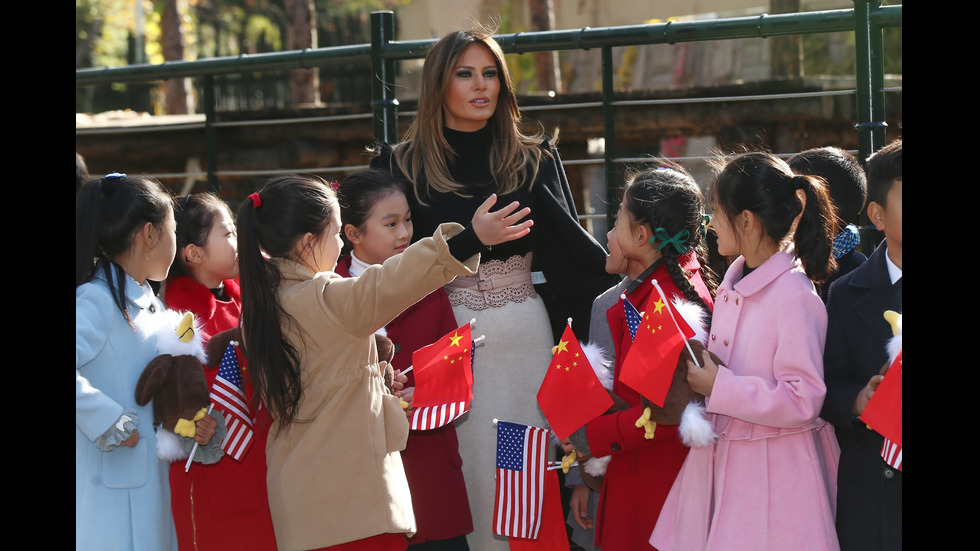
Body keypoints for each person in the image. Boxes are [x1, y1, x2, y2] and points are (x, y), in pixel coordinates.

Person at [370, 28, 617, 548]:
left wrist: (644, 280)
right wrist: (469, 242)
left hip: (523, 342)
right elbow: (376, 269)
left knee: (523, 497)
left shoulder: (534, 158)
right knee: (466, 493)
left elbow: (575, 266)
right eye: (465, 74)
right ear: (439, 84)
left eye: (490, 74)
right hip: (437, 347)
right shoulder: (399, 166)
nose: (481, 86)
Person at [236, 174, 530, 551]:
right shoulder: (324, 298)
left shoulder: (263, 305)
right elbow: (394, 280)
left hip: (299, 501)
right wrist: (469, 238)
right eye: (335, 234)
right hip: (353, 504)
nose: (340, 243)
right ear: (310, 243)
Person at [650, 152, 841, 551]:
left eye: (716, 211)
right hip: (735, 466)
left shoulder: (794, 295)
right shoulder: (734, 285)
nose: (710, 223)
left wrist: (719, 385)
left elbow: (803, 397)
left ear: (747, 221)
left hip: (775, 475)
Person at [566, 164, 716, 551]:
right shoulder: (666, 287)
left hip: (654, 485)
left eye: (617, 221)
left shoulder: (663, 302)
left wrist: (589, 437)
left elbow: (664, 415)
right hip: (654, 474)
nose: (610, 234)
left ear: (643, 235)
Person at [77, 173, 218, 550]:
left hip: (148, 488)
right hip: (106, 499)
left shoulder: (149, 303)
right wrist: (108, 421)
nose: (176, 240)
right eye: (172, 229)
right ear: (150, 234)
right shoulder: (96, 300)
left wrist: (190, 426)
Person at [334, 169, 473, 550]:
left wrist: (424, 389)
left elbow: (455, 356)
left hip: (429, 454)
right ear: (353, 233)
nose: (404, 233)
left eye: (408, 220)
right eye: (391, 223)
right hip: (366, 461)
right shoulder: (333, 290)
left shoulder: (429, 280)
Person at [162, 192, 278, 550]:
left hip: (260, 459)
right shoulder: (180, 313)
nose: (240, 243)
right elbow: (190, 385)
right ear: (194, 254)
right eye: (228, 235)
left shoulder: (246, 291)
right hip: (216, 467)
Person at [820, 139, 902, 550]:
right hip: (874, 493)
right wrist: (857, 401)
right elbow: (826, 382)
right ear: (877, 215)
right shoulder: (847, 292)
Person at [788, 146, 868, 302]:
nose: (781, 202)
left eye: (793, 193)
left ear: (826, 209)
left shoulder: (856, 276)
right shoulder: (781, 258)